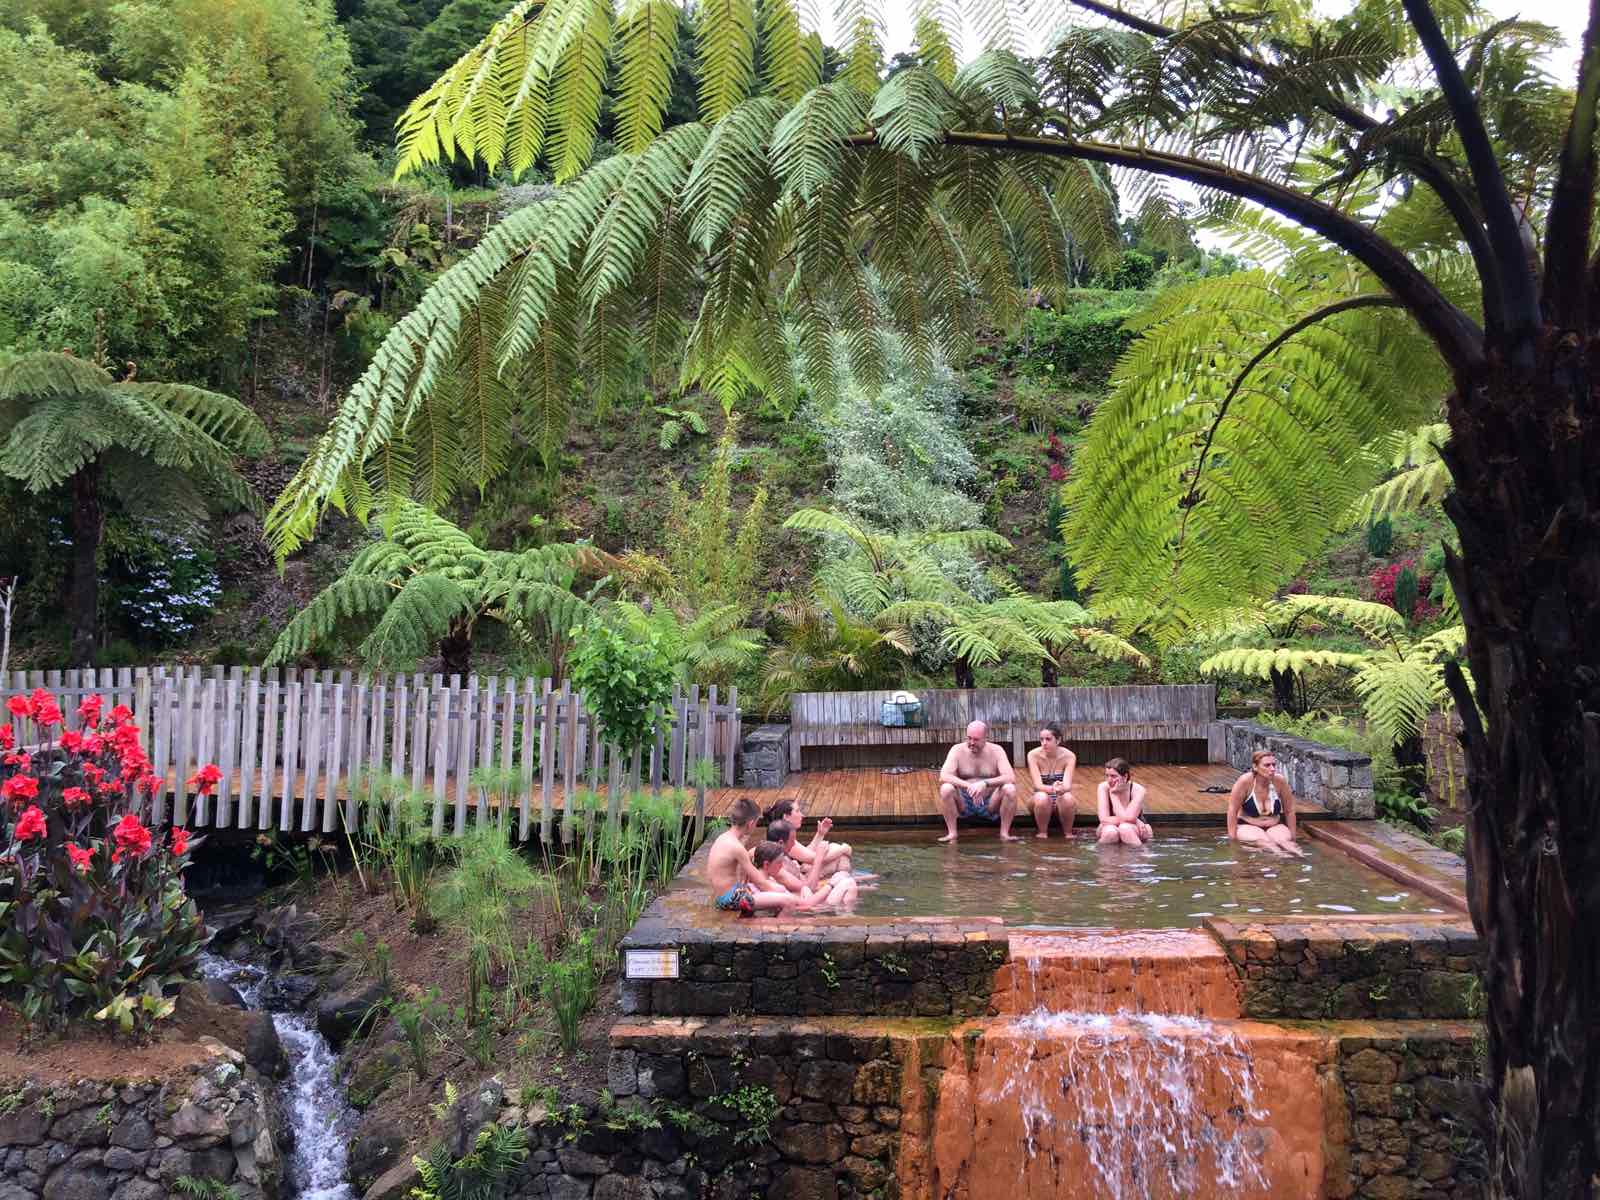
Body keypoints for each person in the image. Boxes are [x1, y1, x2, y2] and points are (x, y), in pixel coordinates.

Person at [705, 798, 810, 914]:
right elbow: (760, 882)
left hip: (725, 895)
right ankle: (777, 928)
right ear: (750, 824)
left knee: (780, 890)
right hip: (731, 899)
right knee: (787, 900)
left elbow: (744, 875)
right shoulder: (736, 847)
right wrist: (785, 895)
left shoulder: (724, 838)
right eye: (756, 823)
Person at [936, 720, 1020, 843]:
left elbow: (1010, 777)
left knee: (1010, 789)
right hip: (964, 801)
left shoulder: (997, 751)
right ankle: (952, 833)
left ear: (986, 738)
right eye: (969, 738)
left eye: (976, 739)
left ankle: (1004, 833)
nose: (971, 743)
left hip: (990, 802)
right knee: (946, 788)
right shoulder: (957, 750)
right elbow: (943, 776)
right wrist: (969, 786)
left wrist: (984, 784)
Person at [1227, 749, 1305, 857]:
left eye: (1273, 765)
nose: (1272, 769)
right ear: (1255, 767)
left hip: (1274, 825)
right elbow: (1232, 810)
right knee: (1267, 844)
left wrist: (1293, 836)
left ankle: (1302, 863)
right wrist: (1232, 838)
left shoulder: (1280, 781)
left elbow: (1289, 810)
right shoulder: (1245, 781)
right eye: (1267, 765)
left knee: (1287, 843)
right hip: (1248, 825)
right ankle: (1280, 860)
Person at [750, 842, 855, 910]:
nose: (781, 866)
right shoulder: (772, 887)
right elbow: (806, 904)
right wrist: (831, 885)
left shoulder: (759, 880)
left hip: (807, 902)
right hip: (815, 909)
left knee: (843, 877)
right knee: (849, 883)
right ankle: (847, 917)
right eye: (779, 862)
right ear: (766, 864)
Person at [762, 797, 852, 874]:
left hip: (799, 874)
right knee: (840, 856)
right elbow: (815, 859)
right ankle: (844, 883)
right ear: (786, 817)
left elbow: (805, 853)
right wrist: (844, 848)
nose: (802, 815)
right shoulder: (784, 839)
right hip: (799, 880)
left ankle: (844, 881)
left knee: (834, 849)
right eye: (797, 811)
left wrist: (820, 834)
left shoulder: (782, 833)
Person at [1026, 722, 1077, 838]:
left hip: (1060, 797)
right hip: (1039, 800)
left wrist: (1061, 788)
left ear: (1058, 740)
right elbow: (1038, 785)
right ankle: (1042, 833)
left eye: (1048, 739)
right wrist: (1053, 789)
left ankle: (1068, 834)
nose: (1044, 743)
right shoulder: (1033, 755)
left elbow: (1067, 786)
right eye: (1041, 739)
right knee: (1042, 797)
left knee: (1068, 798)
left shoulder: (1069, 756)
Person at [1096, 757, 1152, 845]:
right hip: (1110, 826)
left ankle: (1140, 856)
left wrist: (1113, 795)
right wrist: (1136, 820)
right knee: (1110, 832)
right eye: (1107, 776)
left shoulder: (1138, 790)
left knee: (1125, 829)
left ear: (1125, 776)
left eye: (1113, 776)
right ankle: (1103, 857)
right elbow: (1104, 820)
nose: (1109, 780)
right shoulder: (1103, 787)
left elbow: (1129, 819)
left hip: (1133, 828)